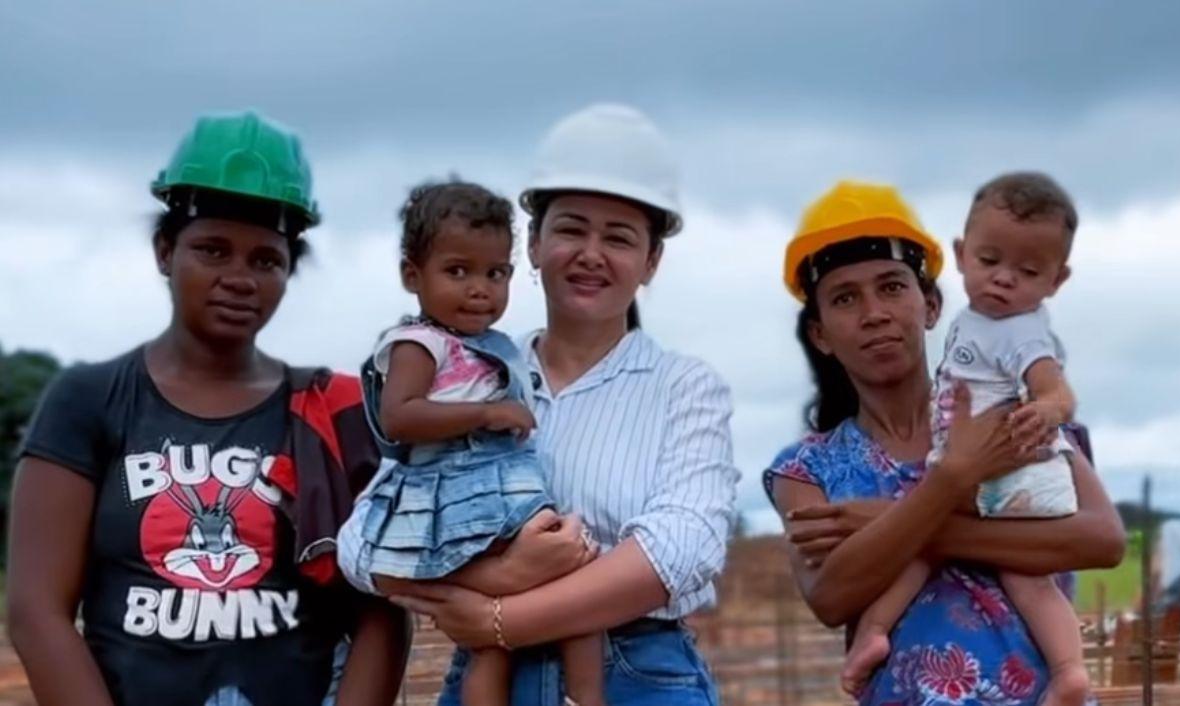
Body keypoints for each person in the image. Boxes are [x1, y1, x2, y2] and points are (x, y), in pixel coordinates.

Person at [6, 111, 409, 706]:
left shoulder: (327, 411)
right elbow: (36, 612)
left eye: (265, 260)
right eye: (213, 251)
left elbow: (379, 614)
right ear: (165, 251)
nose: (239, 278)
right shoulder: (90, 400)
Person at [384, 104, 740, 706]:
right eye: (572, 229)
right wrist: (498, 581)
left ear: (652, 261)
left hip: (637, 674)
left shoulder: (685, 387)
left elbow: (682, 550)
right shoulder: (466, 382)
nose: (591, 254)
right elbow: (378, 534)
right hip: (490, 677)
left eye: (620, 238)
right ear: (534, 243)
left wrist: (499, 616)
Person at [765, 180, 1125, 705]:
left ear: (930, 306)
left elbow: (1100, 540)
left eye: (891, 287)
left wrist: (888, 523)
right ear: (821, 335)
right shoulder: (806, 470)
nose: (874, 313)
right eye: (845, 298)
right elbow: (831, 595)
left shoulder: (1016, 414)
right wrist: (950, 483)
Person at [337, 179, 605, 706]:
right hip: (458, 500)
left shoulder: (495, 346)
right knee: (557, 587)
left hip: (506, 494)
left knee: (550, 608)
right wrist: (486, 412)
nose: (479, 288)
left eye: (496, 273)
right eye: (457, 271)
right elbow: (399, 417)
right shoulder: (420, 344)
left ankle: (585, 699)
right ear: (412, 275)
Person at [841, 173, 1089, 705]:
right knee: (964, 557)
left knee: (939, 548)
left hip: (1005, 471)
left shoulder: (1021, 330)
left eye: (1026, 271)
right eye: (990, 261)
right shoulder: (974, 322)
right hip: (977, 471)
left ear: (1056, 280)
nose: (1003, 280)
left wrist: (1047, 408)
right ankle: (877, 633)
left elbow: (1055, 388)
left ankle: (1067, 669)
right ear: (961, 254)